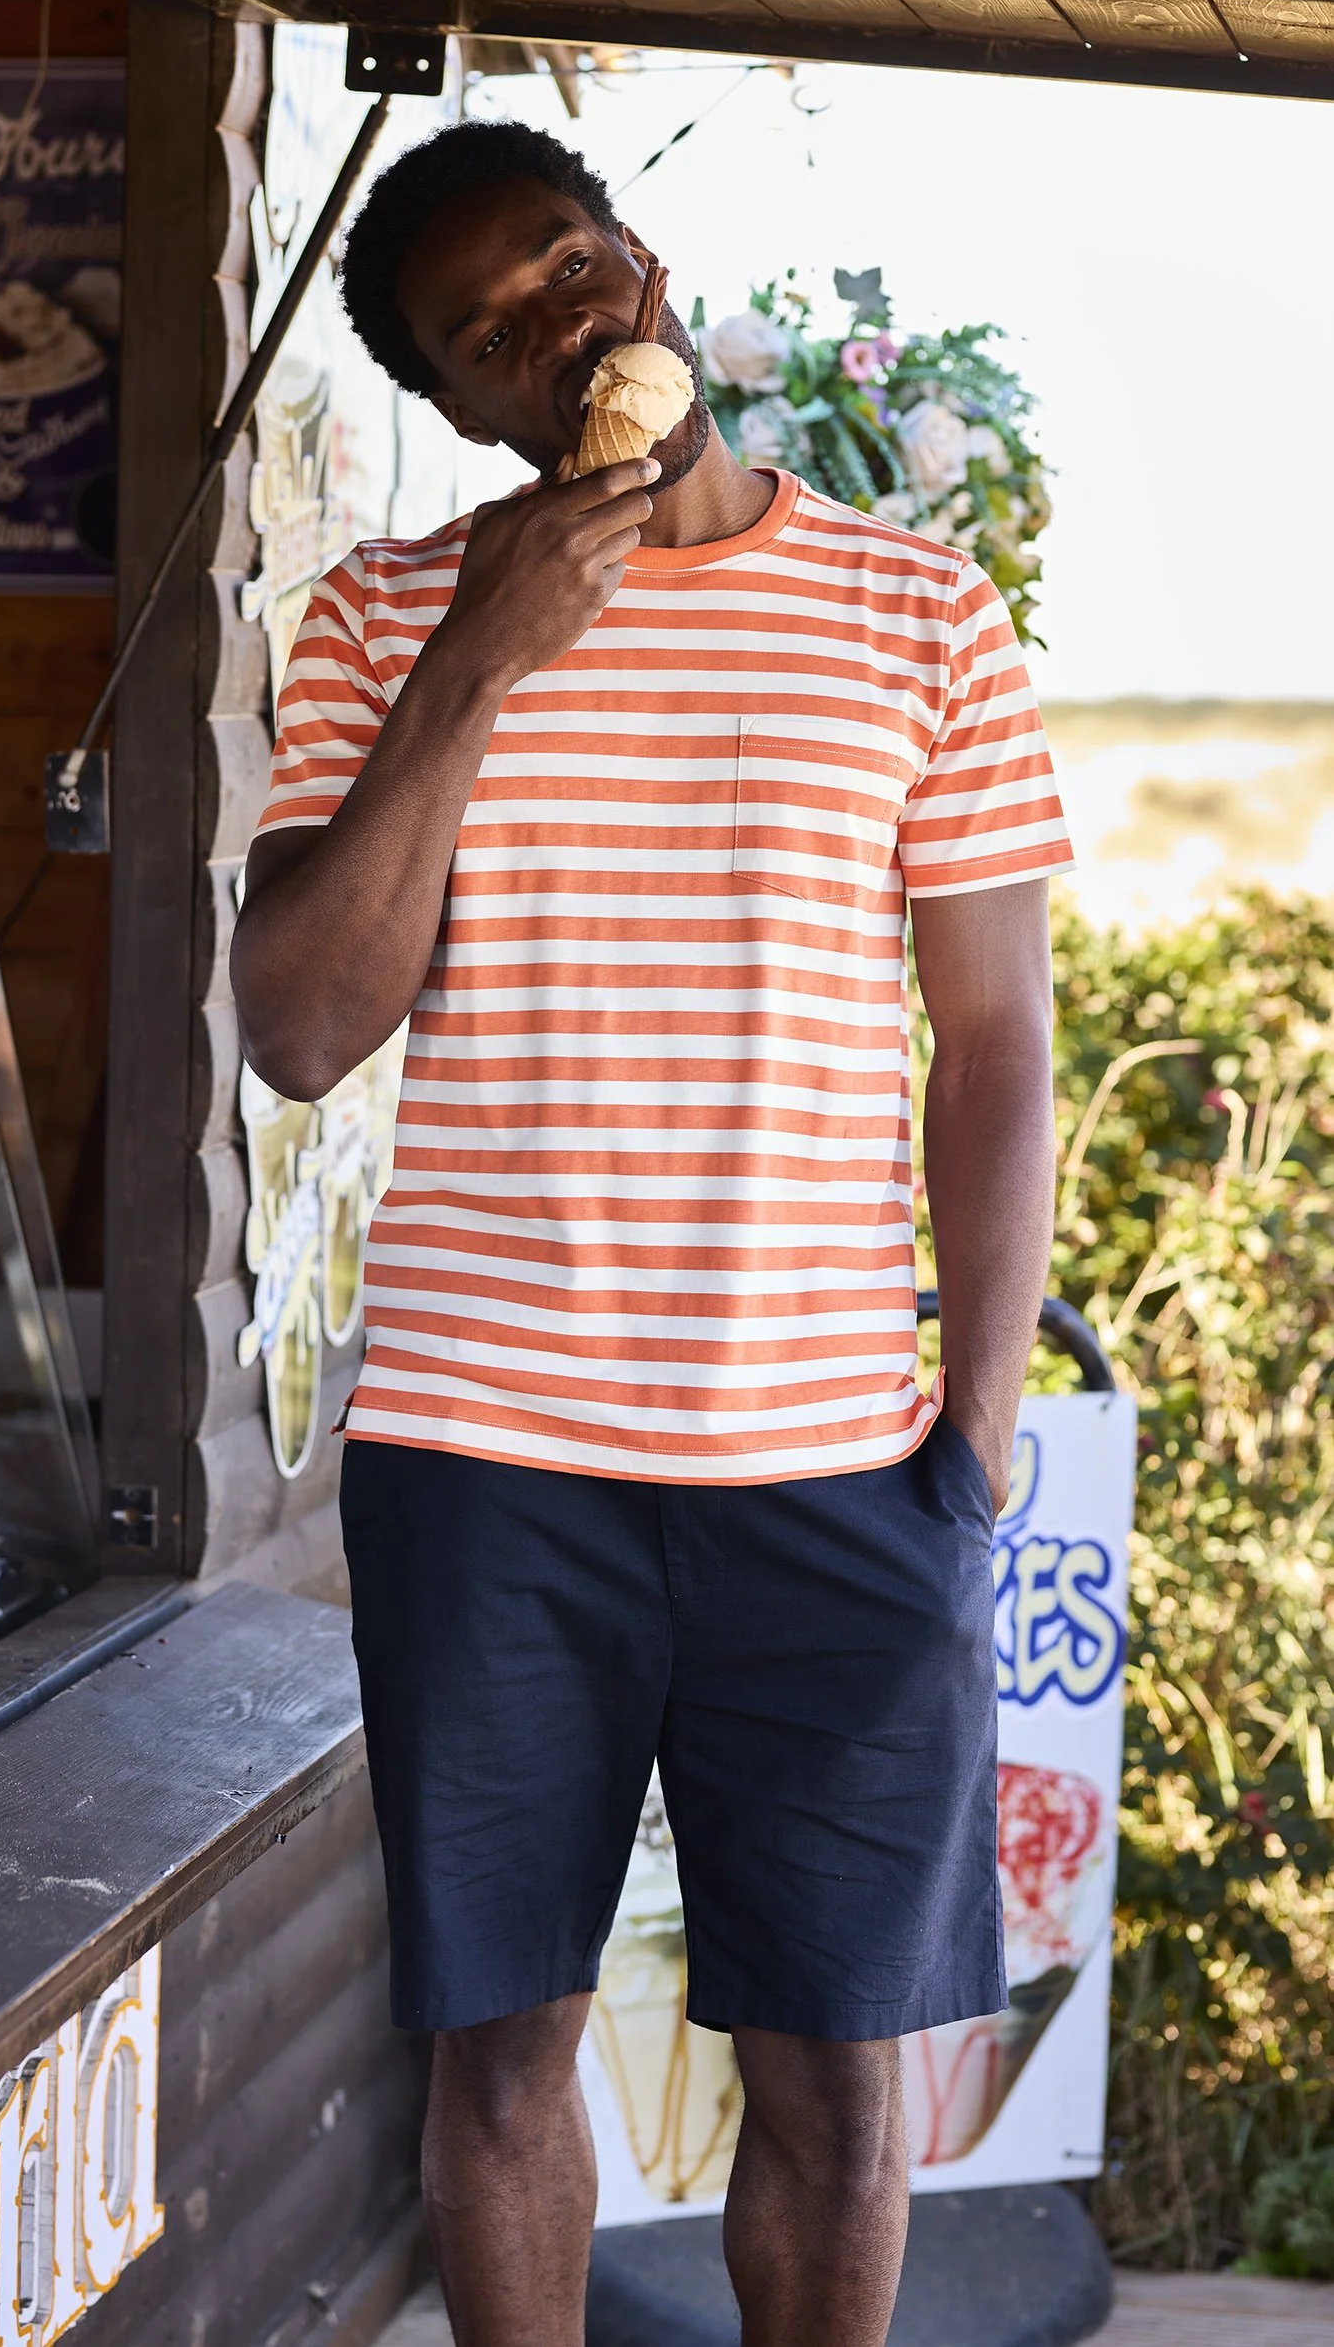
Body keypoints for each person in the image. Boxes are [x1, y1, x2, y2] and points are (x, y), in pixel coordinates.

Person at [231, 119, 1072, 2347]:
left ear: (646, 260)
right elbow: (303, 1027)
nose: (559, 319)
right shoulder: (383, 618)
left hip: (834, 1472)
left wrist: (969, 1437)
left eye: (569, 263)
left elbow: (990, 1049)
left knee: (830, 2068)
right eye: (488, 329)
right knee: (497, 2047)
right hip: (487, 1464)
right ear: (457, 409)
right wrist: (477, 660)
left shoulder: (916, 612)